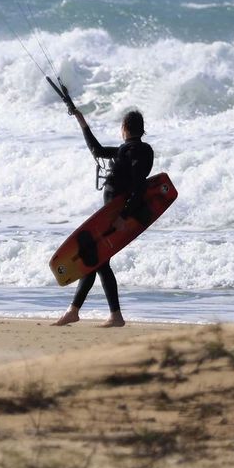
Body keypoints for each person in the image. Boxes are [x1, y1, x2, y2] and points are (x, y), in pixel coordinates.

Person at [54, 104, 153, 328]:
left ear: (124, 127)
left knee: (97, 259)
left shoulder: (135, 152)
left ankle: (111, 315)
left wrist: (123, 215)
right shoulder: (128, 151)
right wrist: (81, 121)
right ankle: (75, 311)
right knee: (95, 259)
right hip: (111, 214)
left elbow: (139, 186)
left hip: (115, 215)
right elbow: (97, 151)